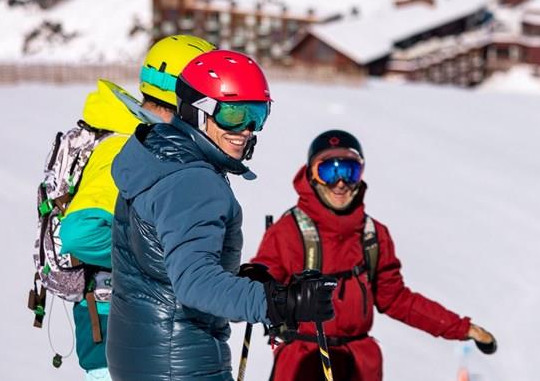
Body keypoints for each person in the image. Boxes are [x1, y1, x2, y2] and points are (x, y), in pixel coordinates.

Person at [107, 49, 338, 381]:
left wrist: (246, 283)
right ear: (196, 111)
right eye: (232, 114)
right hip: (181, 362)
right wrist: (282, 303)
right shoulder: (194, 181)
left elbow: (167, 263)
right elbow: (196, 284)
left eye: (257, 115)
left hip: (145, 357)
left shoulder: (159, 157)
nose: (246, 130)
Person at [246, 129, 497, 381]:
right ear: (312, 175)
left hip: (360, 366)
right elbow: (260, 290)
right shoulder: (289, 231)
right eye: (329, 171)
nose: (340, 182)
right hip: (304, 363)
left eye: (350, 170)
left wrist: (461, 328)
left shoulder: (373, 235)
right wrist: (258, 281)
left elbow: (396, 298)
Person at [57, 34, 215, 380]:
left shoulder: (154, 143)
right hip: (118, 333)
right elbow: (79, 232)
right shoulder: (125, 148)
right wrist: (158, 254)